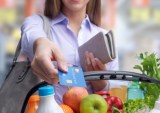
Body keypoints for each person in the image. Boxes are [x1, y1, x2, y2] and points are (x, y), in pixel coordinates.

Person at [21, 0, 119, 104]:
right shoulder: (39, 25)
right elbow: (31, 32)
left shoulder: (105, 39)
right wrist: (41, 44)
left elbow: (116, 100)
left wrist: (101, 85)